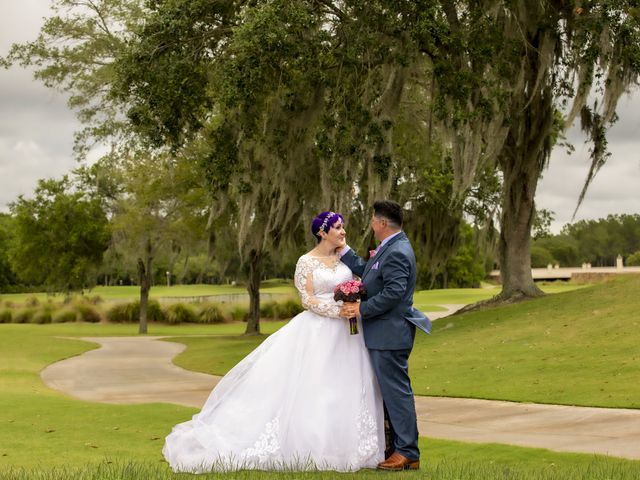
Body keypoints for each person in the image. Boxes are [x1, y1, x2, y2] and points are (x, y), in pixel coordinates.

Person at [162, 211, 384, 473]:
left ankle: (346, 446)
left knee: (344, 388)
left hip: (348, 336)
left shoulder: (344, 257)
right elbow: (308, 299)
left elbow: (359, 282)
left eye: (343, 226)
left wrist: (353, 304)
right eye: (337, 227)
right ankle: (311, 446)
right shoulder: (306, 261)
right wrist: (337, 311)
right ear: (322, 232)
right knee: (316, 387)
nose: (343, 231)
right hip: (318, 332)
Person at [340, 200, 431, 471]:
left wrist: (361, 308)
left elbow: (394, 292)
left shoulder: (398, 251)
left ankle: (407, 452)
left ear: (381, 224)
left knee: (396, 392)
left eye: (372, 220)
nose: (371, 224)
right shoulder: (389, 248)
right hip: (383, 333)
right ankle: (398, 447)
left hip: (390, 333)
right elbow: (371, 276)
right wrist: (343, 250)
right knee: (390, 392)